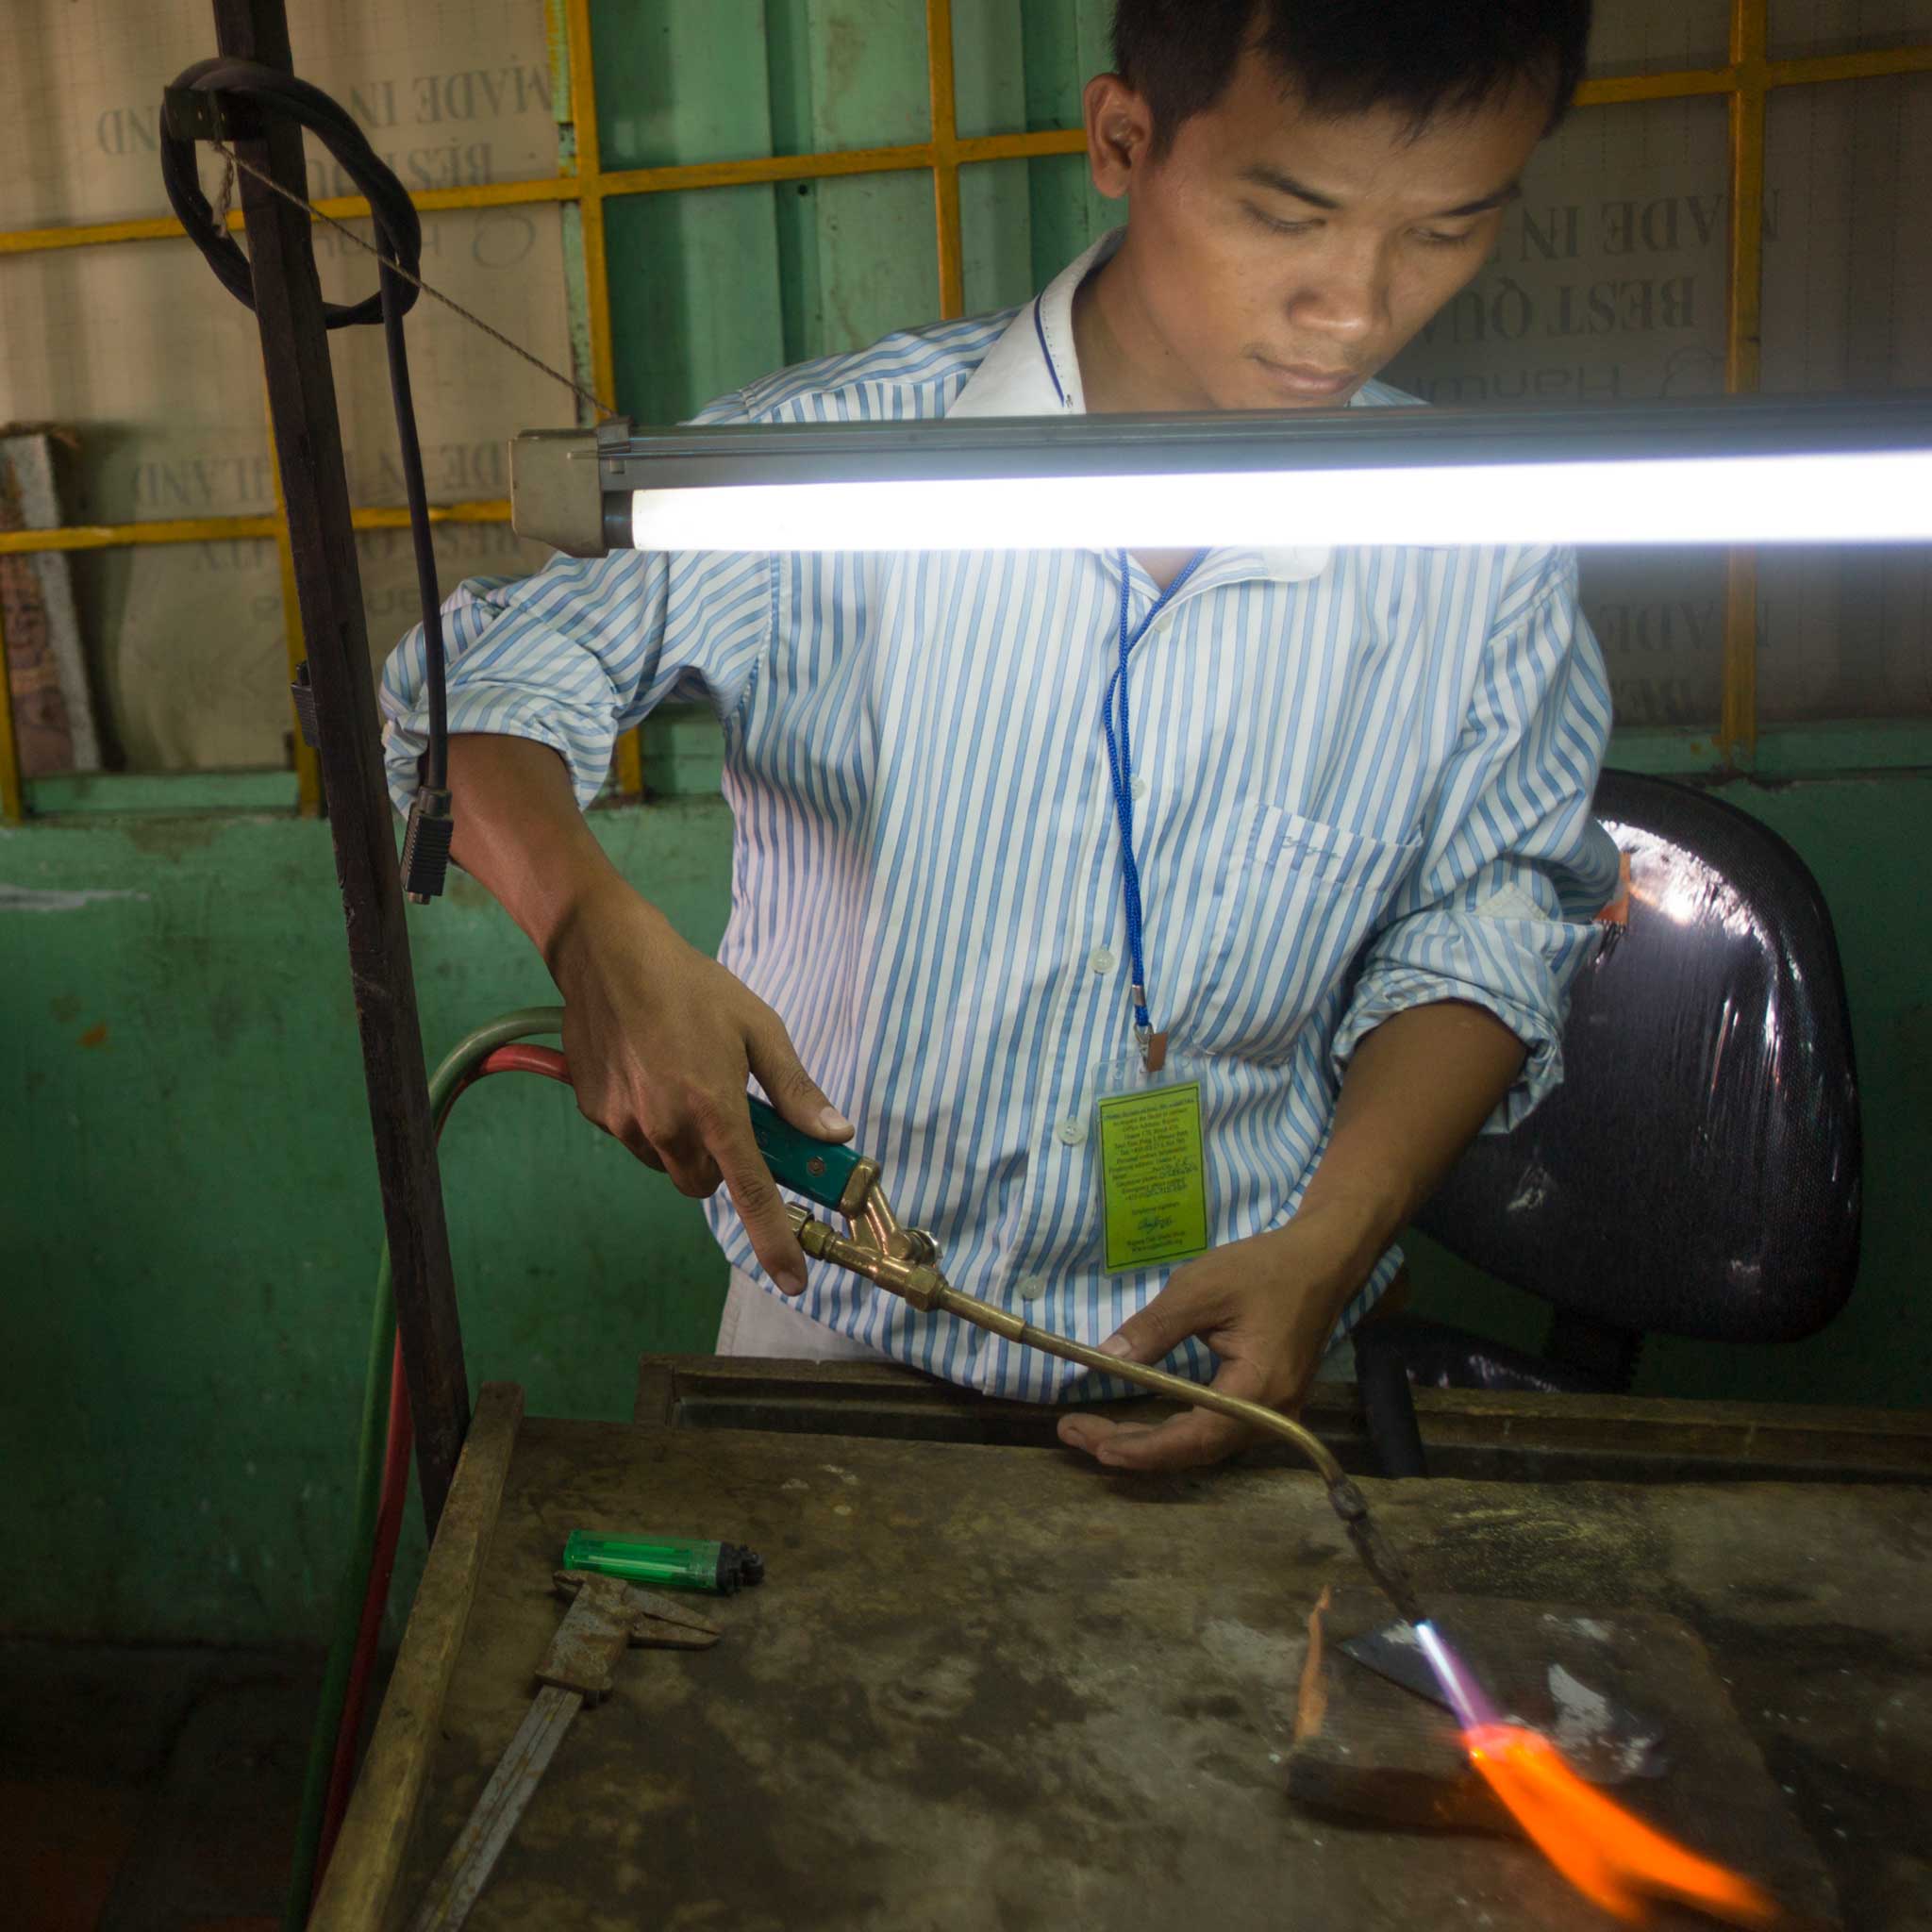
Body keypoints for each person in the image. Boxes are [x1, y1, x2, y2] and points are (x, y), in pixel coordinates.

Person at [382, 0, 1616, 1474]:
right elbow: (480, 681)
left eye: (1446, 230)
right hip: (834, 1333)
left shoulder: (1474, 548)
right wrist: (588, 923)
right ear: (1124, 139)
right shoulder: (832, 473)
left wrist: (1333, 1251)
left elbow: (1488, 919)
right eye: (1286, 215)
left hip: (1249, 1352)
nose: (1353, 306)